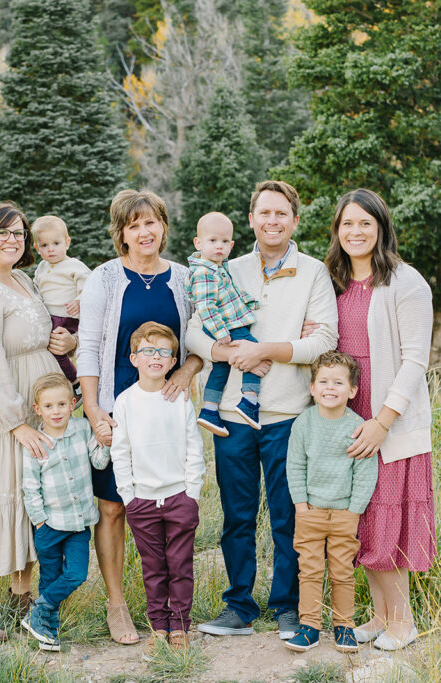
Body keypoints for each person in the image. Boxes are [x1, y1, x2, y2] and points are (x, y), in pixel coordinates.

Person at [187, 180, 338, 640]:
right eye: (264, 213)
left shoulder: (314, 272)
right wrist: (228, 353)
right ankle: (238, 607)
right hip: (231, 415)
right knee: (236, 515)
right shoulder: (227, 266)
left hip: (288, 416)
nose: (272, 221)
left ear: (295, 220)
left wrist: (269, 349)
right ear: (251, 219)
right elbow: (194, 329)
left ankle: (287, 607)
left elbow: (324, 341)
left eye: (281, 214)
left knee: (286, 516)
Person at [77, 189, 203, 645]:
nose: (144, 232)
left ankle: (173, 610)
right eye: (134, 225)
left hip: (167, 411)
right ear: (122, 234)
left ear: (164, 227)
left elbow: (201, 341)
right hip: (115, 405)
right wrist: (94, 410)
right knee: (113, 506)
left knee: (167, 503)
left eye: (151, 223)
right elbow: (88, 347)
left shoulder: (186, 278)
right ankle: (117, 605)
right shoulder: (105, 279)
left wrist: (188, 370)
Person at [0, 202, 77, 643]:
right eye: (3, 232)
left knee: (31, 501)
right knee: (3, 493)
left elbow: (43, 333)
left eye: (19, 233)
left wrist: (68, 340)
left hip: (40, 401)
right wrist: (15, 421)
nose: (12, 239)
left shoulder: (23, 279)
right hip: (8, 410)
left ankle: (22, 599)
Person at [324, 188, 436, 651]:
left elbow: (415, 361)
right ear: (337, 230)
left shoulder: (406, 282)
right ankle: (379, 616)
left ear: (381, 228)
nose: (356, 232)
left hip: (387, 421)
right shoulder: (333, 281)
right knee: (360, 520)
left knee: (385, 519)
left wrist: (383, 422)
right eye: (347, 224)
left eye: (365, 223)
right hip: (344, 417)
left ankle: (403, 623)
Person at [110, 322, 206, 657]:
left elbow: (194, 447)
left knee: (180, 565)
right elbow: (120, 451)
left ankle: (179, 625)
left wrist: (191, 491)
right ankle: (158, 626)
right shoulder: (125, 402)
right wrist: (128, 496)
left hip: (179, 496)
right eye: (148, 351)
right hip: (142, 501)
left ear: (172, 360)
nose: (156, 357)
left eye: (164, 352)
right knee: (153, 568)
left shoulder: (179, 399)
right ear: (134, 358)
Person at [284, 351, 378, 653]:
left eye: (338, 382)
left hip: (343, 514)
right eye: (323, 381)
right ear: (312, 388)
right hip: (309, 510)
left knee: (342, 571)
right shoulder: (304, 423)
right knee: (309, 570)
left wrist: (354, 511)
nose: (330, 387)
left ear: (352, 390)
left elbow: (365, 472)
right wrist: (300, 504)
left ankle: (344, 627)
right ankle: (309, 626)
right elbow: (295, 465)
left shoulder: (358, 427)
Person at [20, 373, 111, 651]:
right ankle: (46, 630)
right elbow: (30, 486)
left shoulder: (83, 429)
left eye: (61, 404)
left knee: (75, 574)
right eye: (48, 406)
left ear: (73, 404)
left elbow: (98, 463)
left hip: (79, 522)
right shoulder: (36, 442)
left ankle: (38, 609)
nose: (55, 411)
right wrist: (40, 521)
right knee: (49, 576)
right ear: (38, 409)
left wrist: (104, 441)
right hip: (49, 525)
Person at [185, 212, 262, 436]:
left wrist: (250, 302)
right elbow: (206, 306)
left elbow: (231, 294)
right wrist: (221, 333)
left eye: (225, 241)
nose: (219, 246)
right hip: (226, 326)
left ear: (232, 244)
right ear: (198, 243)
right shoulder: (203, 272)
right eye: (212, 241)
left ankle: (209, 410)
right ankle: (249, 400)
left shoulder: (217, 268)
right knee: (253, 349)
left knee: (220, 367)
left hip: (226, 323)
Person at [31, 215, 91, 389]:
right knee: (42, 348)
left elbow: (89, 286)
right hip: (49, 316)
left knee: (56, 349)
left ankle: (75, 381)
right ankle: (55, 383)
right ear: (37, 248)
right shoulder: (41, 267)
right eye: (44, 245)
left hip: (66, 316)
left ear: (67, 242)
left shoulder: (74, 265)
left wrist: (79, 300)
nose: (51, 249)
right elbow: (36, 289)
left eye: (56, 243)